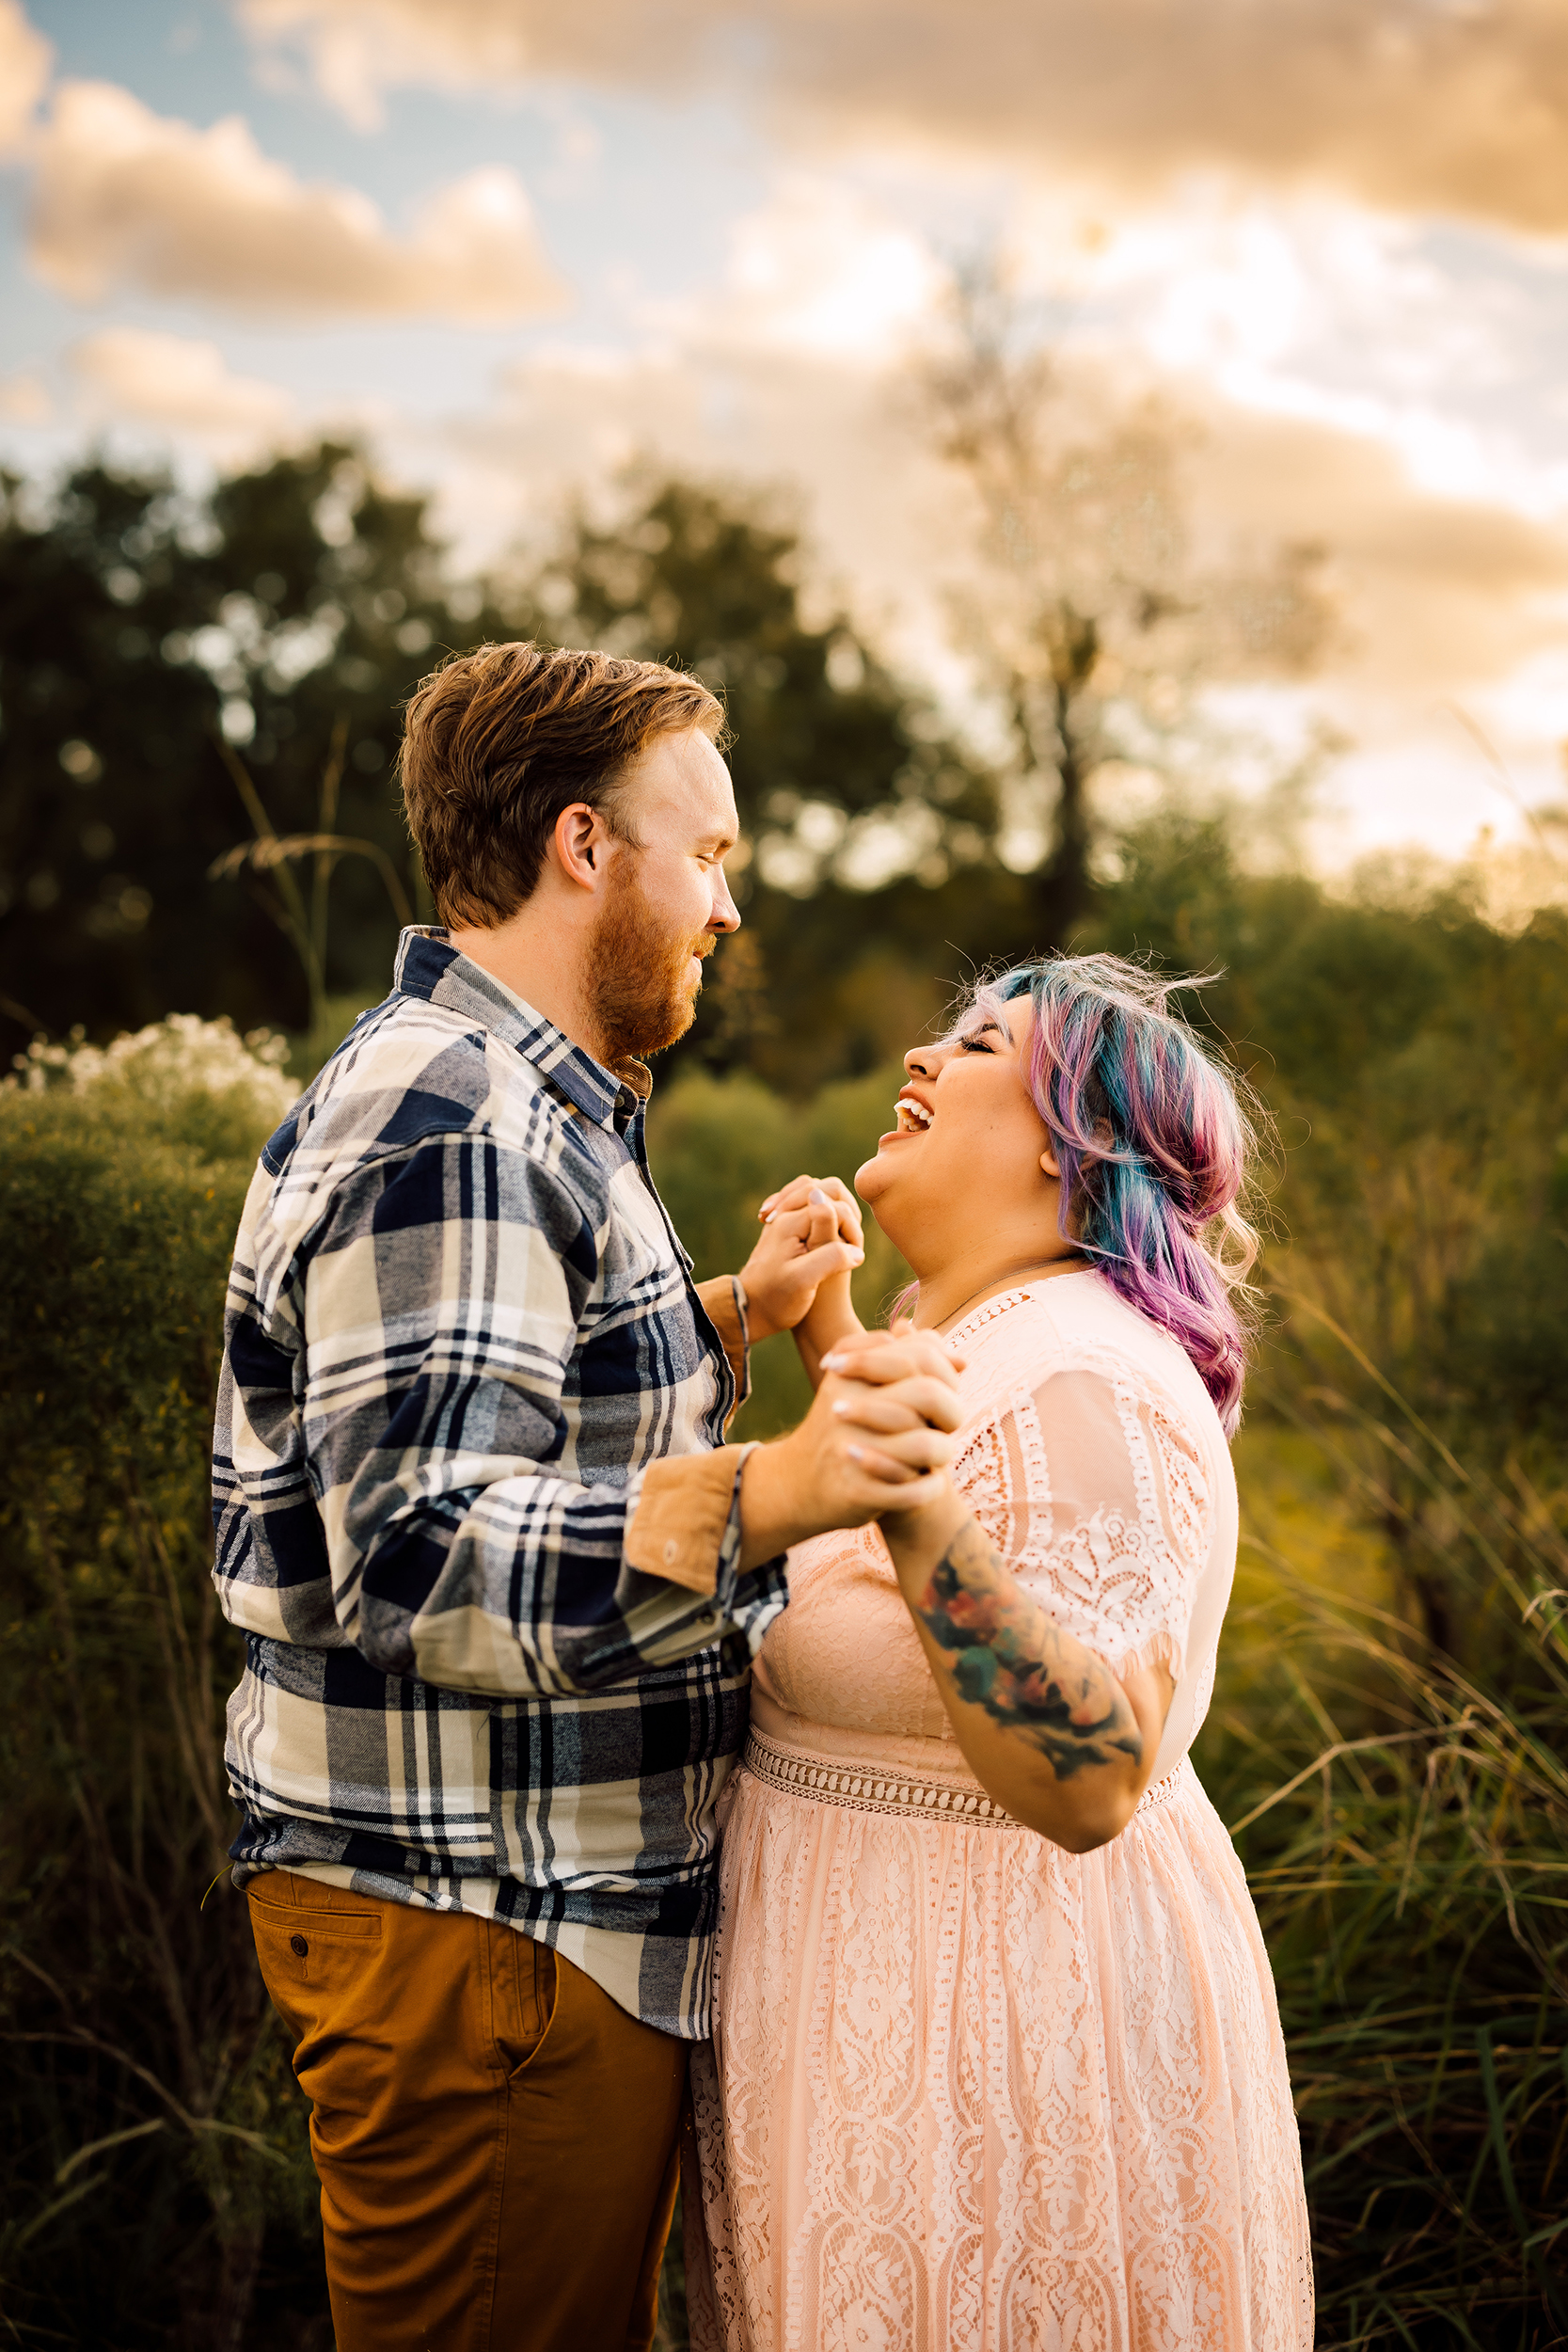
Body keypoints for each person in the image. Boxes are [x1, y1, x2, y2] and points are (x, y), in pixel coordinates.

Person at [211, 642, 963, 2352]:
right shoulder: (456, 1115)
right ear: (581, 846)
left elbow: (505, 1400)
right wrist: (774, 1489)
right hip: (488, 1923)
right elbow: (411, 1549)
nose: (726, 908)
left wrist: (723, 1322)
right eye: (709, 855)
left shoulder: (517, 1103)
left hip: (527, 1923)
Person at [689, 953, 1314, 2351]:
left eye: (974, 1045)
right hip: (890, 2064)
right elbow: (931, 1576)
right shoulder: (977, 1339)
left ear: (1061, 1137)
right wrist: (836, 1338)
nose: (918, 1058)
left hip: (1012, 2091)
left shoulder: (1091, 1376)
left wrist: (901, 1490)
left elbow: (1087, 1769)